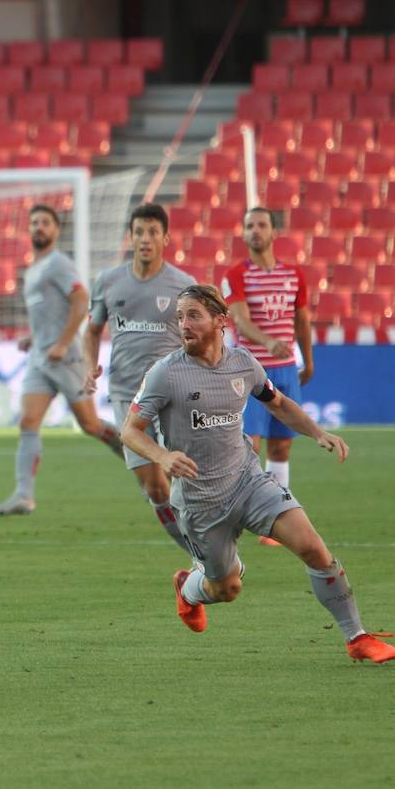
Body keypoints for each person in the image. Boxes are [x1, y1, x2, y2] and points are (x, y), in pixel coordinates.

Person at [121, 284, 394, 663]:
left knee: (315, 548)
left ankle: (357, 638)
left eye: (193, 315)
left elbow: (278, 404)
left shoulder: (244, 364)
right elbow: (130, 430)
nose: (184, 324)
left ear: (220, 321)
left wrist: (318, 432)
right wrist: (162, 457)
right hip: (201, 503)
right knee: (226, 589)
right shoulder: (165, 374)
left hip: (249, 483)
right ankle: (189, 588)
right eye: (180, 317)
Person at [0, 204, 125, 516]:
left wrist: (63, 343)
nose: (39, 227)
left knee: (90, 425)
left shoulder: (58, 264)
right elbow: (49, 313)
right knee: (28, 421)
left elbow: (80, 303)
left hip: (64, 358)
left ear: (55, 230)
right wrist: (34, 338)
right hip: (40, 358)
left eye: (45, 223)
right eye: (34, 222)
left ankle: (135, 449)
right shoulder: (34, 269)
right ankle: (24, 496)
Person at [84, 203, 196, 555]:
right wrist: (90, 365)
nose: (145, 239)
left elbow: (201, 335)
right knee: (155, 489)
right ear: (130, 237)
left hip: (173, 394)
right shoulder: (108, 282)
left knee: (186, 478)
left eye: (152, 232)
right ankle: (196, 552)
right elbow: (92, 330)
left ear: (165, 238)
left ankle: (210, 552)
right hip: (125, 397)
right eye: (139, 232)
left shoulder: (184, 285)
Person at [221, 206, 314, 491]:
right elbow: (240, 320)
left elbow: (302, 320)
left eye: (261, 225)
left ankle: (277, 510)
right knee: (251, 445)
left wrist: (308, 361)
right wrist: (269, 342)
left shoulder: (294, 275)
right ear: (244, 234)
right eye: (249, 226)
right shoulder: (235, 275)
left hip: (285, 370)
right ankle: (245, 507)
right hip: (252, 369)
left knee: (281, 447)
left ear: (274, 232)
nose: (255, 231)